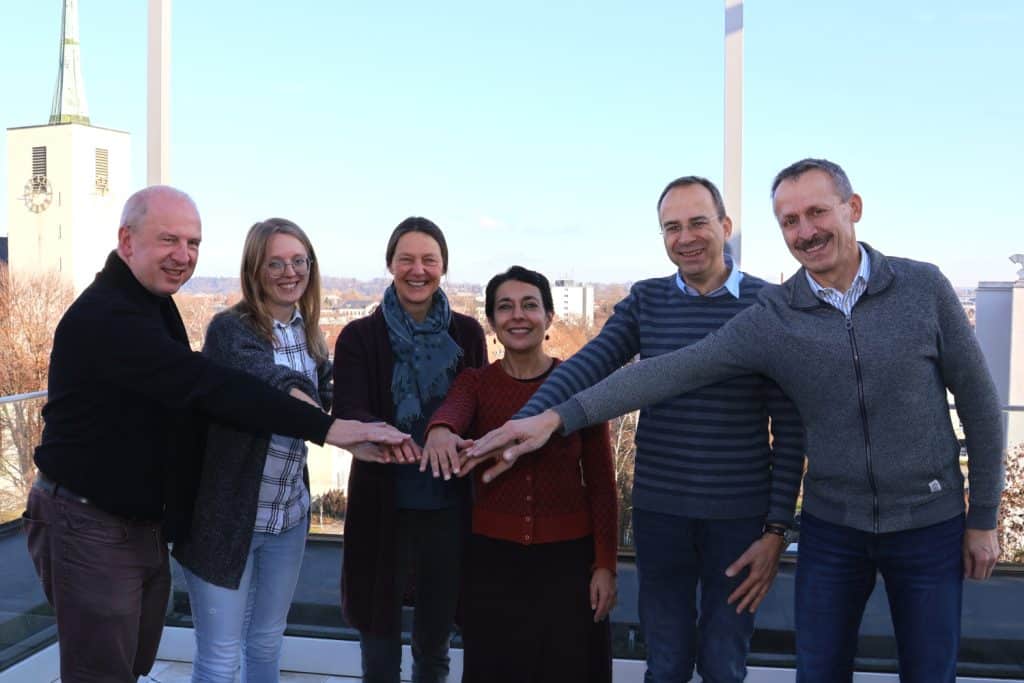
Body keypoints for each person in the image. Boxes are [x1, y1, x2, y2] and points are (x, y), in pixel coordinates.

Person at [468, 159, 1005, 683]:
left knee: (928, 669)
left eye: (816, 213)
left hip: (922, 522)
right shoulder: (774, 314)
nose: (806, 231)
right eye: (790, 221)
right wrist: (551, 418)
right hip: (827, 525)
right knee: (808, 669)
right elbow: (665, 372)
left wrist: (981, 516)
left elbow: (981, 405)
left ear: (853, 208)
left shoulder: (918, 289)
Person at [22, 186, 411, 683]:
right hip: (88, 519)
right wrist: (329, 428)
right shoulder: (110, 317)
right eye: (169, 240)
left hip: (138, 522)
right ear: (127, 240)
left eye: (193, 243)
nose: (183, 256)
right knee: (103, 669)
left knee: (131, 661)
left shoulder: (151, 303)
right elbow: (215, 386)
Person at [468, 178, 805, 683]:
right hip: (661, 515)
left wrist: (777, 530)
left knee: (724, 663)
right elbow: (590, 365)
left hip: (738, 519)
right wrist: (528, 422)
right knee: (665, 663)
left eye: (698, 223)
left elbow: (791, 428)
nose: (685, 237)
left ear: (725, 227)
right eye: (672, 227)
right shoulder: (647, 301)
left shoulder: (769, 305)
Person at [423, 266, 617, 683]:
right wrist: (440, 430)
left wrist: (605, 565)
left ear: (549, 317)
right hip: (494, 565)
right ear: (491, 321)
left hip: (569, 565)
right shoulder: (475, 382)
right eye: (505, 307)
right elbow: (453, 410)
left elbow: (602, 483)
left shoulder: (579, 383)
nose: (518, 316)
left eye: (530, 305)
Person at [171, 218, 334, 681]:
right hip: (227, 520)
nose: (289, 272)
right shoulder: (230, 330)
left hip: (288, 517)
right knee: (221, 657)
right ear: (254, 270)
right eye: (275, 263)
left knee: (266, 640)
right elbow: (274, 386)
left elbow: (329, 388)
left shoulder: (311, 333)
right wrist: (329, 424)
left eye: (298, 261)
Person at [333, 216, 487, 683]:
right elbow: (350, 409)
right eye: (407, 259)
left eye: (429, 260)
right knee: (379, 649)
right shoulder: (360, 337)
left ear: (444, 267)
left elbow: (475, 405)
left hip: (448, 507)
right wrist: (386, 436)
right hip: (384, 505)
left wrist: (447, 431)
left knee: (435, 646)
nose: (417, 270)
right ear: (389, 265)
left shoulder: (467, 333)